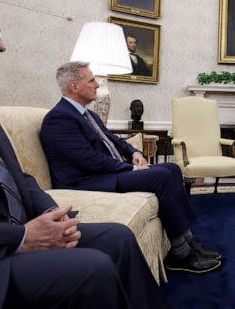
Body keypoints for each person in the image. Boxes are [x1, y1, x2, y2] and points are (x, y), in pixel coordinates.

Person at [0, 0, 167, 308]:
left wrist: (51, 215)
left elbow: (17, 177)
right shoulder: (57, 118)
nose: (2, 46)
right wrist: (23, 238)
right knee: (92, 268)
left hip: (14, 232)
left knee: (117, 237)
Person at [40, 61, 222, 274]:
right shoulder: (59, 118)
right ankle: (180, 254)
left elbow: (115, 141)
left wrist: (134, 153)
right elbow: (88, 160)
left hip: (104, 173)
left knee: (173, 169)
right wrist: (130, 169)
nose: (97, 85)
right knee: (161, 177)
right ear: (74, 87)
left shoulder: (89, 115)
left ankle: (190, 242)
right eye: (91, 80)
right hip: (86, 181)